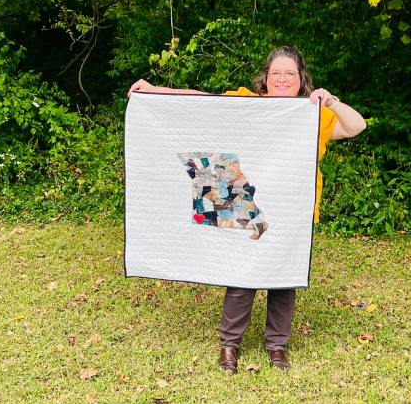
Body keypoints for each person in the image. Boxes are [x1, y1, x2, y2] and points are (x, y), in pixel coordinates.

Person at [128, 46, 366, 374]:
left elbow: (356, 127)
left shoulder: (313, 114)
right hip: (244, 204)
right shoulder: (246, 103)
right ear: (265, 79)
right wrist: (155, 91)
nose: (282, 79)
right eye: (276, 73)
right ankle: (229, 345)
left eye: (290, 74)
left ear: (301, 80)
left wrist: (332, 102)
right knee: (242, 275)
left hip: (292, 212)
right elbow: (199, 99)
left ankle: (277, 346)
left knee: (284, 279)